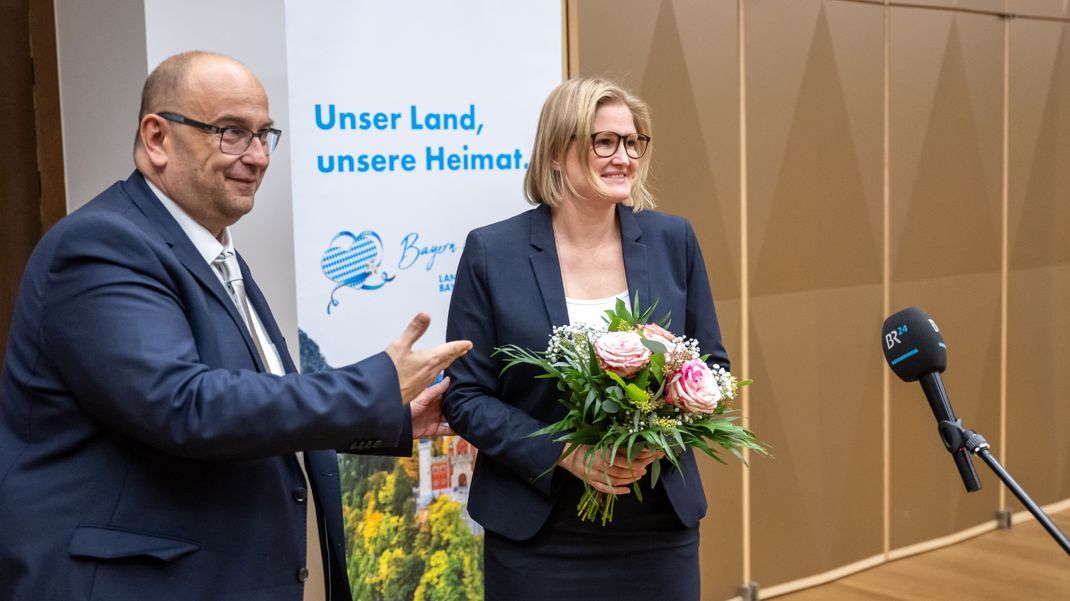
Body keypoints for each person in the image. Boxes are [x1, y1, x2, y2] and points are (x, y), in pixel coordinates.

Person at [0, 51, 471, 601]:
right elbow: (187, 406)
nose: (257, 157)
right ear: (157, 138)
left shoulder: (211, 250)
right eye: (231, 133)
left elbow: (256, 407)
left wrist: (388, 419)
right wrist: (374, 385)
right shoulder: (101, 248)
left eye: (263, 135)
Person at [443, 77, 730, 600]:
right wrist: (567, 452)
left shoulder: (674, 240)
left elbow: (711, 368)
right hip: (538, 531)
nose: (623, 157)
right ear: (557, 152)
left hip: (657, 526)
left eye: (632, 142)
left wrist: (655, 432)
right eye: (604, 141)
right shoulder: (492, 252)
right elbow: (465, 397)